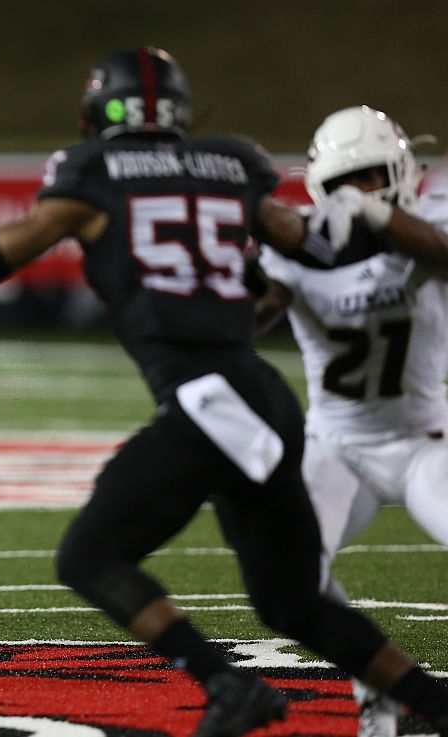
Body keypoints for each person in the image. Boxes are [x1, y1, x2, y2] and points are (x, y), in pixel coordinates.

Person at [0, 48, 448, 737]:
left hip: (209, 402)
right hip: (266, 401)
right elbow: (317, 246)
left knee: (88, 556)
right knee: (293, 602)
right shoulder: (230, 166)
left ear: (95, 114)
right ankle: (436, 702)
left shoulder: (91, 177)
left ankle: (223, 681)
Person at [255, 105, 448, 737]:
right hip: (337, 444)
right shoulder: (301, 242)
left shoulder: (429, 222)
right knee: (289, 575)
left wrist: (379, 217)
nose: (356, 191)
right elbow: (257, 314)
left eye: (368, 177)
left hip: (425, 439)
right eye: (345, 182)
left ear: (396, 172)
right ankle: (376, 680)